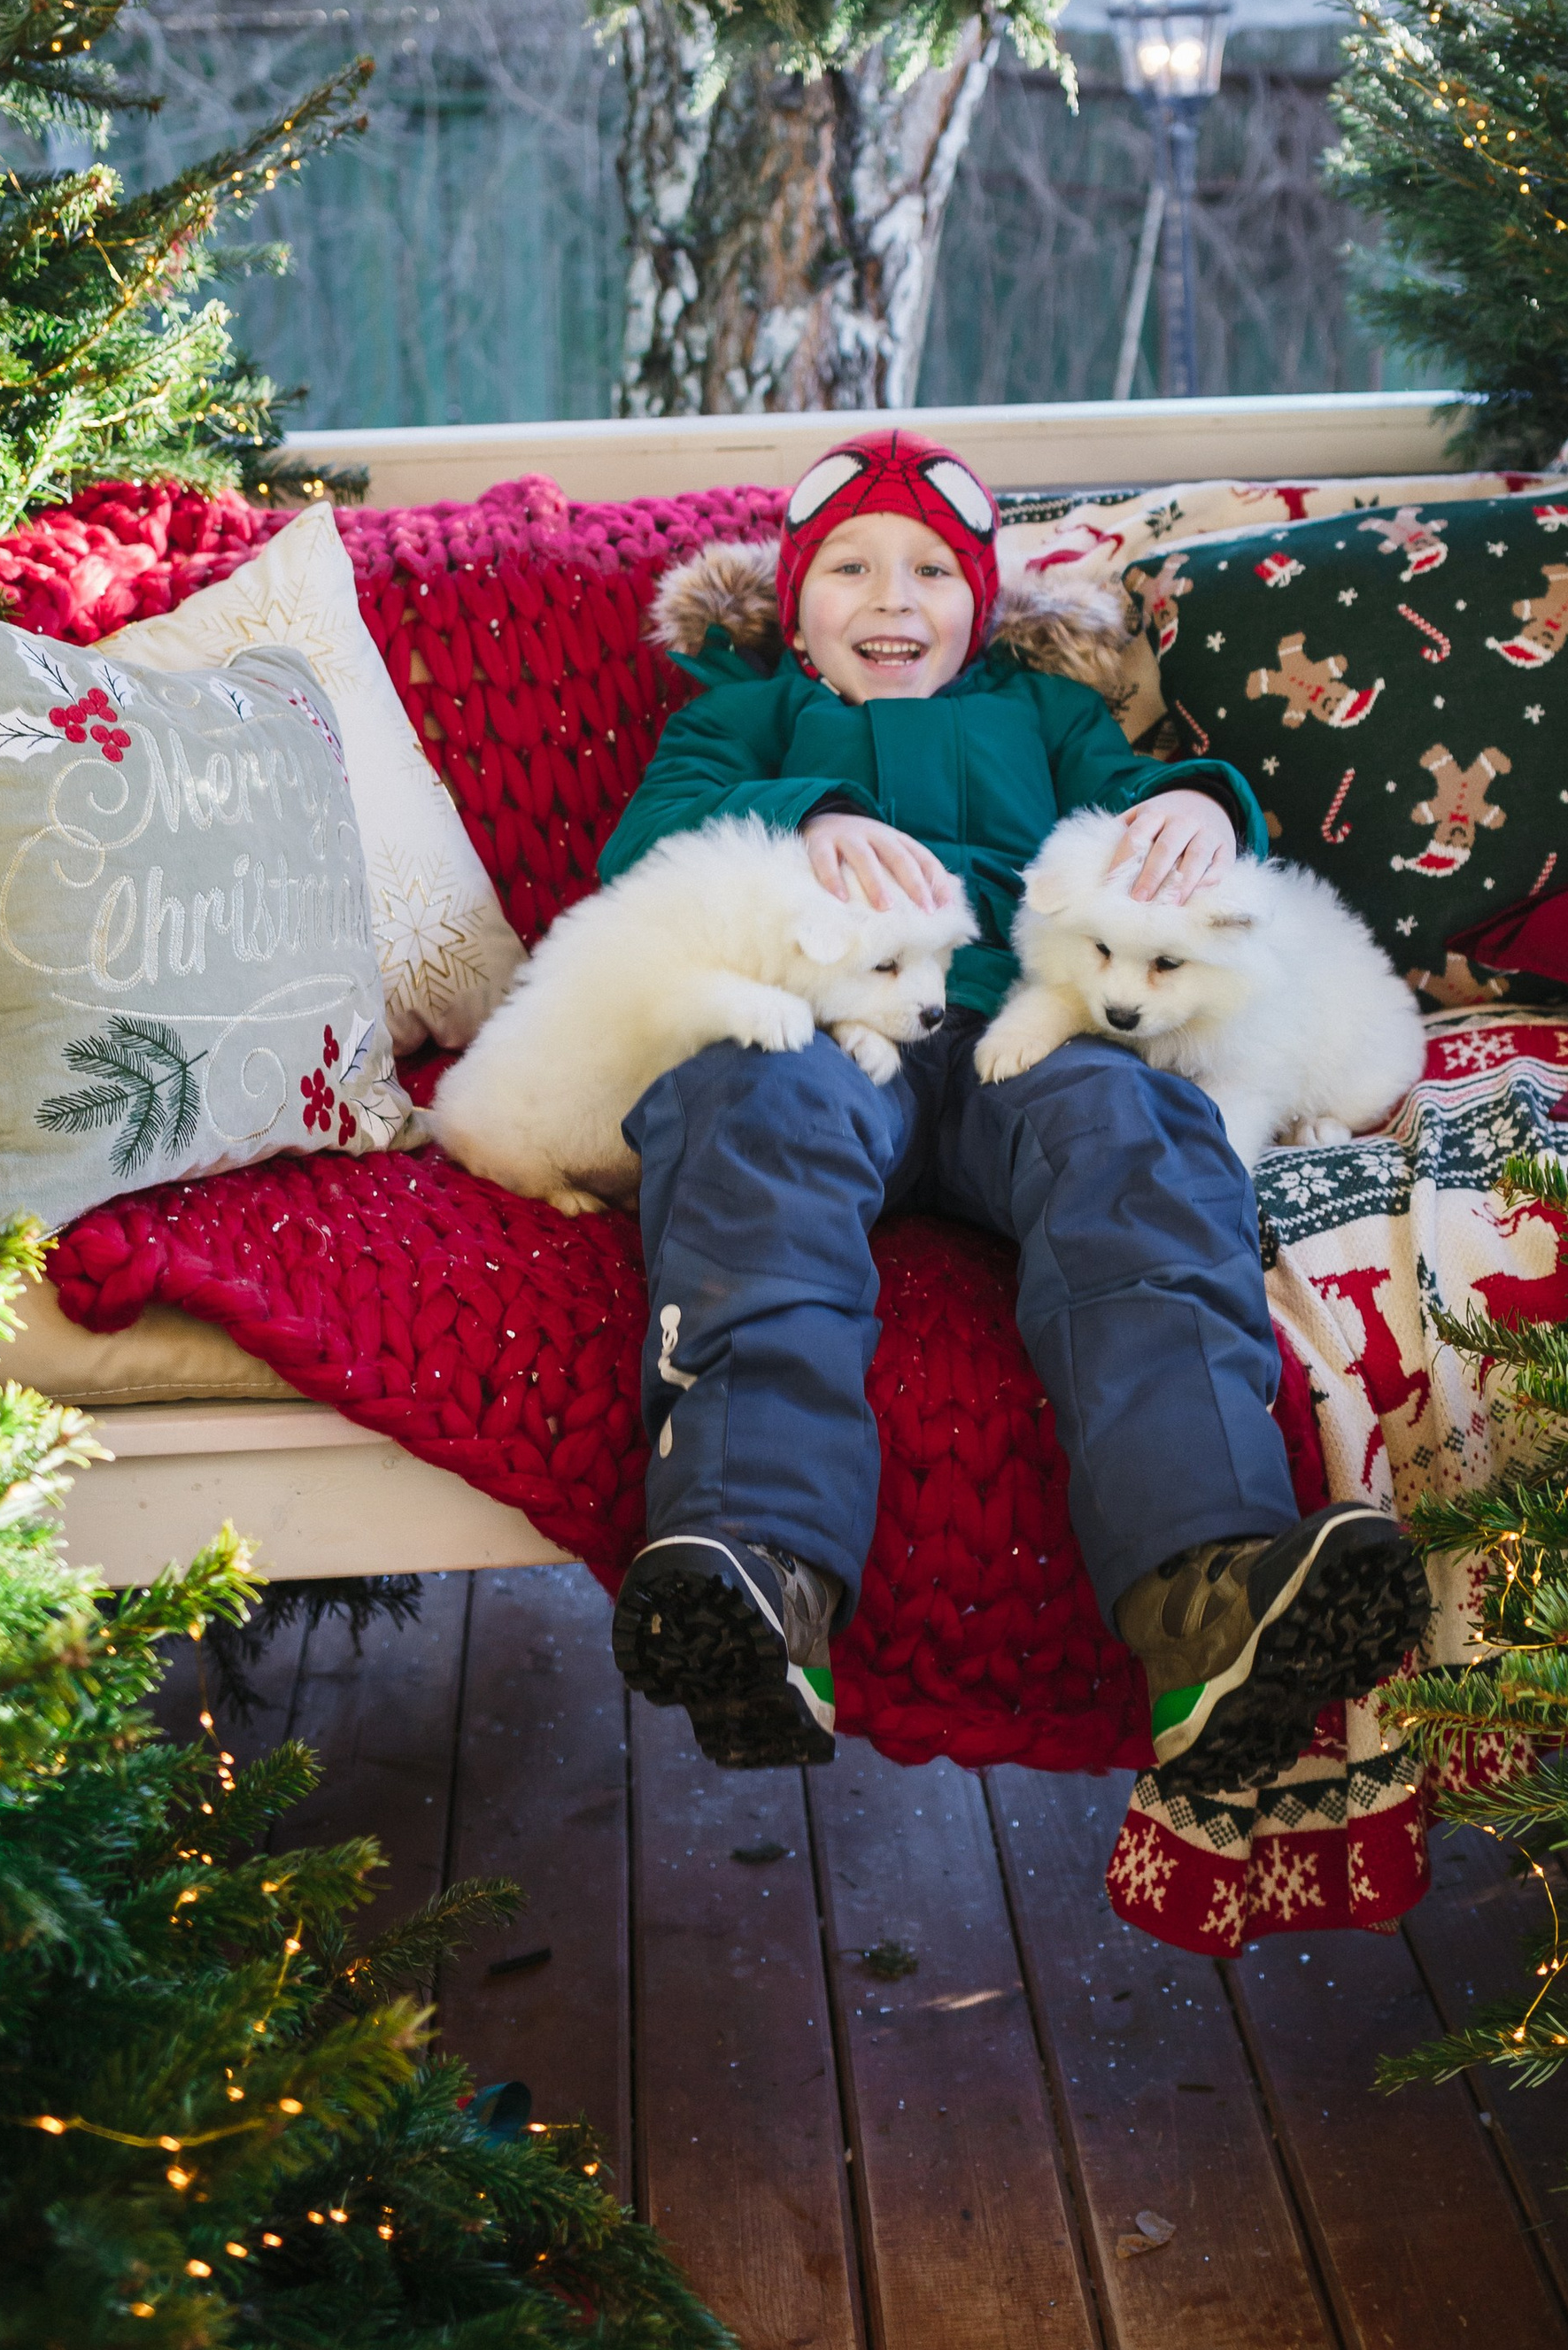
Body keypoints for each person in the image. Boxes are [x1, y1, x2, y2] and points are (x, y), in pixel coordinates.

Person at [600, 428, 1427, 1777]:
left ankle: (1208, 1595)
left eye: (932, 570)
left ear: (982, 605)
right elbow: (641, 851)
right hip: (822, 1028)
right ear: (792, 605)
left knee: (1140, 1141)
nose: (892, 599)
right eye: (851, 568)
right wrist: (800, 815)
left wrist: (1204, 813)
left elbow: (1140, 820)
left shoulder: (1044, 715)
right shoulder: (742, 719)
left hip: (1024, 1022)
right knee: (746, 1132)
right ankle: (759, 1574)